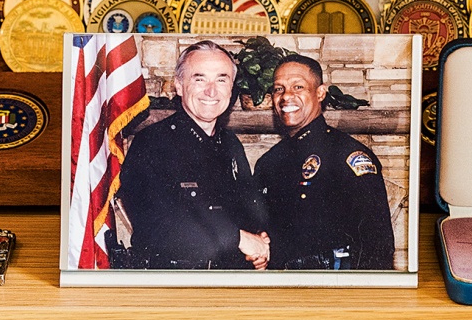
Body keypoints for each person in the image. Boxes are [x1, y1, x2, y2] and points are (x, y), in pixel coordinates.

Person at [114, 41, 270, 270]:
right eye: (200, 79)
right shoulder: (153, 143)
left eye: (221, 80)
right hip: (175, 279)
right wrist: (238, 239)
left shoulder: (231, 144)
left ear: (231, 88)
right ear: (179, 86)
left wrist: (257, 242)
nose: (211, 91)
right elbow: (157, 227)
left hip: (229, 277)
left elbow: (248, 210)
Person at [254, 53, 396, 271]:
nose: (286, 96)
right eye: (278, 89)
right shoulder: (268, 162)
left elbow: (378, 246)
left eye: (298, 87)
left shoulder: (347, 155)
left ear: (320, 93)